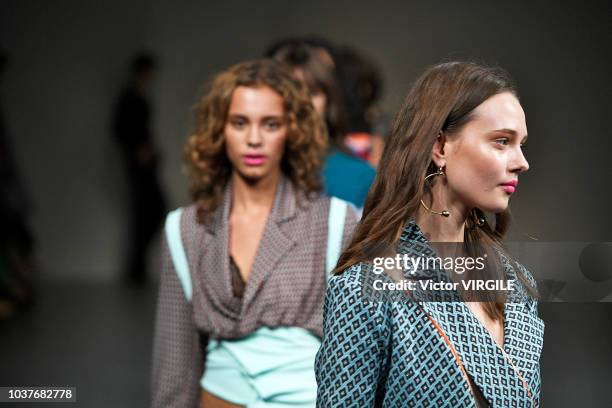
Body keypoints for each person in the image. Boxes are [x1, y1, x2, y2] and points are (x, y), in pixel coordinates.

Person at [315, 62, 544, 407]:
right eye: (501, 142)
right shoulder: (363, 287)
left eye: (521, 144)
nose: (522, 162)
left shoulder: (517, 284)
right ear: (440, 147)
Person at [151, 59, 359, 408]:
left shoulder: (334, 221)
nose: (253, 139)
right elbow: (175, 359)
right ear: (219, 130)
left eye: (271, 124)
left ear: (291, 130)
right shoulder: (185, 228)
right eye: (239, 123)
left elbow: (356, 353)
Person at [269, 41, 376, 210]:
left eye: (312, 93)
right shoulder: (253, 170)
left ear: (329, 102)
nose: (302, 102)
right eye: (291, 92)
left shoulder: (360, 176)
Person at [112, 52, 167, 285]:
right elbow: (119, 130)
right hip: (138, 165)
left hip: (145, 164)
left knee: (149, 213)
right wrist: (137, 150)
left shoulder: (139, 97)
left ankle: (137, 268)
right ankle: (136, 269)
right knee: (147, 213)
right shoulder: (129, 98)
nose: (151, 77)